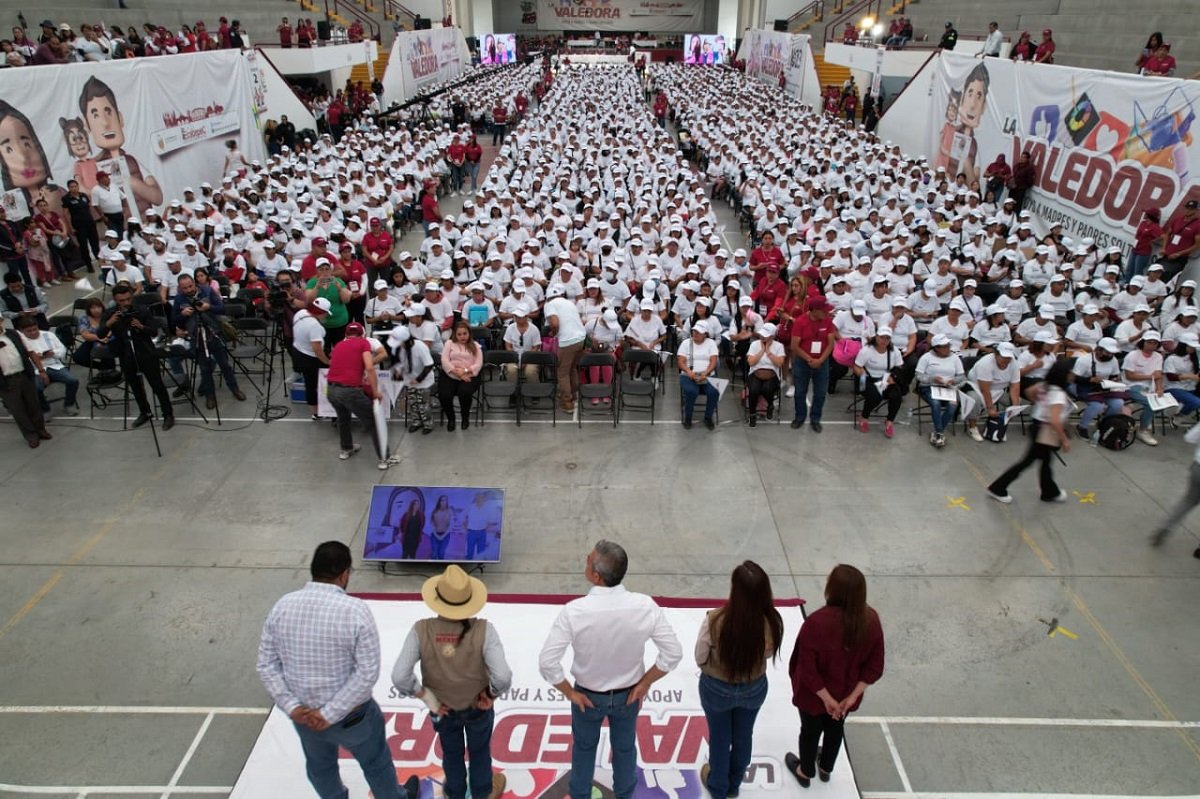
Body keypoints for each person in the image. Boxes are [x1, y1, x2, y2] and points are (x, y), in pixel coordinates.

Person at [257, 541, 421, 799]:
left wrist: (293, 707)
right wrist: (329, 713)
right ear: (345, 574)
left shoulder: (282, 606)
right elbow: (367, 673)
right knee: (376, 763)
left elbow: (266, 665)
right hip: (352, 718)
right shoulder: (355, 611)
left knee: (320, 768)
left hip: (304, 718)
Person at [538, 541, 682, 799]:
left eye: (588, 558)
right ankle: (625, 795)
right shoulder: (645, 606)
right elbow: (673, 652)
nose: (585, 558)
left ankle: (580, 795)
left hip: (587, 697)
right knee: (625, 749)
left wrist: (570, 693)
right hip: (629, 695)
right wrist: (646, 681)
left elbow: (548, 662)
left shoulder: (574, 612)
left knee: (583, 749)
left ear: (596, 575)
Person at [391, 565, 512, 799]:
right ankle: (483, 792)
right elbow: (503, 677)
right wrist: (491, 694)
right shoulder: (484, 630)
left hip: (442, 708)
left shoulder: (421, 630)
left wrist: (427, 697)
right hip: (477, 707)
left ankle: (454, 792)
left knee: (451, 752)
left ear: (437, 598)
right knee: (479, 751)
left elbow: (399, 676)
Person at [786, 564, 884, 788]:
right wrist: (850, 698)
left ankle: (805, 770)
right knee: (836, 728)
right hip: (846, 696)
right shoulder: (871, 620)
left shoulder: (817, 623)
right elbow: (875, 666)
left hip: (814, 697)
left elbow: (806, 668)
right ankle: (826, 767)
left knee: (810, 732)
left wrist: (826, 699)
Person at [696, 561, 783, 799]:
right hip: (753, 688)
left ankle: (717, 786)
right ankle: (734, 785)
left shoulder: (715, 619)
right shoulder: (772, 622)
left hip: (716, 688)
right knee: (744, 735)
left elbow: (700, 655)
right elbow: (767, 653)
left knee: (720, 737)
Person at [987, 359, 1073, 503]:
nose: (1072, 375)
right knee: (1028, 462)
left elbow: (1029, 392)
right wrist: (1064, 439)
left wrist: (1040, 404)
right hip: (1045, 430)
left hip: (1037, 425)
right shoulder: (1058, 394)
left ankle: (1050, 491)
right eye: (1070, 373)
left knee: (1044, 462)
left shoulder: (1044, 386)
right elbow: (1055, 420)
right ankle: (998, 488)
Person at [98, 283, 174, 429]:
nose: (126, 303)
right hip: (126, 355)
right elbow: (100, 334)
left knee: (157, 384)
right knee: (135, 386)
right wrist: (109, 323)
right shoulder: (110, 314)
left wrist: (141, 326)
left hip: (145, 352)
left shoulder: (141, 310)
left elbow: (153, 331)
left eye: (128, 299)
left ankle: (168, 414)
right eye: (122, 300)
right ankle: (144, 412)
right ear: (115, 299)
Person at [173, 273, 245, 409]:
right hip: (197, 337)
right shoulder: (179, 300)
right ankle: (210, 395)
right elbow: (174, 320)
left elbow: (222, 309)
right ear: (180, 288)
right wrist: (182, 315)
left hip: (214, 333)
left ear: (194, 283)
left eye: (190, 286)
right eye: (185, 288)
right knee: (204, 369)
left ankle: (235, 389)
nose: (189, 290)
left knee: (225, 365)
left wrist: (208, 307)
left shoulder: (207, 291)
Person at [326, 321, 391, 470]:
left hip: (331, 389)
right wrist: (375, 392)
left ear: (346, 335)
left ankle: (346, 448)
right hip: (350, 391)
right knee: (373, 422)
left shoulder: (338, 345)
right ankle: (385, 458)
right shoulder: (363, 343)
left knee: (343, 419)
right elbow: (369, 367)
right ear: (363, 334)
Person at [0, 313, 51, 447]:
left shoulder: (14, 334)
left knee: (34, 404)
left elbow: (31, 352)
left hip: (24, 375)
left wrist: (41, 370)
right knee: (18, 410)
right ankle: (31, 435)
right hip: (5, 381)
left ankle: (41, 430)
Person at [15, 312, 78, 415]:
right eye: (29, 331)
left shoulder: (49, 335)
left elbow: (62, 350)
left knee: (73, 381)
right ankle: (45, 410)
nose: (33, 333)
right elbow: (20, 359)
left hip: (53, 365)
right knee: (36, 388)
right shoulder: (20, 341)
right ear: (22, 331)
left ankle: (69, 404)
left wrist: (53, 353)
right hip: (35, 370)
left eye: (35, 329)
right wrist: (35, 358)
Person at [789, 298, 835, 432]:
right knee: (800, 392)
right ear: (815, 311)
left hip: (822, 361)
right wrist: (810, 359)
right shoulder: (800, 322)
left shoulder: (827, 321)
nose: (827, 312)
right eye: (824, 310)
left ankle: (815, 419)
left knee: (820, 393)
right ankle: (800, 417)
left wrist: (820, 360)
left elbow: (830, 343)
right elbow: (794, 346)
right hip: (803, 362)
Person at [544, 284, 586, 413]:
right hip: (581, 338)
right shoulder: (569, 303)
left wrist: (553, 332)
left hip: (568, 341)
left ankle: (567, 402)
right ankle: (573, 394)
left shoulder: (549, 305)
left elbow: (555, 323)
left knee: (562, 372)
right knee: (572, 369)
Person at [389, 326, 435, 434]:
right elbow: (399, 362)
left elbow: (429, 365)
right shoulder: (399, 348)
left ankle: (428, 424)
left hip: (423, 380)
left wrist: (418, 379)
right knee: (412, 403)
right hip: (409, 380)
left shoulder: (420, 347)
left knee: (423, 404)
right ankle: (416, 422)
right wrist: (398, 372)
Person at [440, 319, 482, 431]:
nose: (462, 337)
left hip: (470, 375)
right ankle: (451, 419)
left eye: (465, 334)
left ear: (469, 333)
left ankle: (465, 418)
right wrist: (458, 373)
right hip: (450, 374)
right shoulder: (449, 344)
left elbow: (478, 364)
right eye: (459, 334)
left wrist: (465, 371)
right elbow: (444, 361)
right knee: (445, 395)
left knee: (464, 393)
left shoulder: (476, 346)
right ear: (455, 334)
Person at [293, 297, 331, 420]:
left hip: (298, 351)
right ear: (321, 312)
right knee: (313, 384)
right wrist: (327, 362)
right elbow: (317, 349)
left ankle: (315, 410)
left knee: (309, 384)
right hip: (311, 358)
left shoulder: (300, 313)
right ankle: (317, 412)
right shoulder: (315, 326)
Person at [678, 323, 719, 430]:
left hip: (707, 375)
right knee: (692, 391)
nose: (695, 334)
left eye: (698, 332)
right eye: (694, 331)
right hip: (689, 375)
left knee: (714, 391)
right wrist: (688, 371)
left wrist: (705, 373)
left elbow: (713, 361)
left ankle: (708, 416)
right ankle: (688, 417)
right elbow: (681, 361)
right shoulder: (686, 343)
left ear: (705, 334)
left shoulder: (711, 343)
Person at [746, 322, 784, 426]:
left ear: (772, 336)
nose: (762, 337)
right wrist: (762, 351)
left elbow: (779, 363)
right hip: (755, 373)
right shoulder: (754, 345)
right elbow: (751, 362)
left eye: (766, 336)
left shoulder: (779, 346)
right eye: (761, 335)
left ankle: (770, 405)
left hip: (772, 374)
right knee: (754, 389)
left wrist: (768, 352)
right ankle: (752, 414)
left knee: (767, 388)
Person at [1159, 199, 1200, 282]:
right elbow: (1168, 234)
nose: (1188, 210)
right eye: (1187, 208)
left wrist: (1179, 253)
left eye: (1191, 209)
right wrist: (1164, 248)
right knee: (1157, 276)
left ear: (1196, 210)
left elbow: (1197, 245)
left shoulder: (1198, 224)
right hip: (1167, 254)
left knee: (1168, 280)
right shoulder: (1177, 220)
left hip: (1180, 258)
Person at [1007, 151, 1038, 216]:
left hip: (1020, 189)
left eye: (1024, 157)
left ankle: (1015, 219)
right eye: (1021, 157)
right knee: (1009, 202)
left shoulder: (1029, 168)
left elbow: (1030, 180)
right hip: (1013, 188)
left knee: (1017, 205)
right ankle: (1007, 215)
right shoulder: (1017, 166)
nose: (1022, 158)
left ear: (1027, 159)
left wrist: (1024, 186)